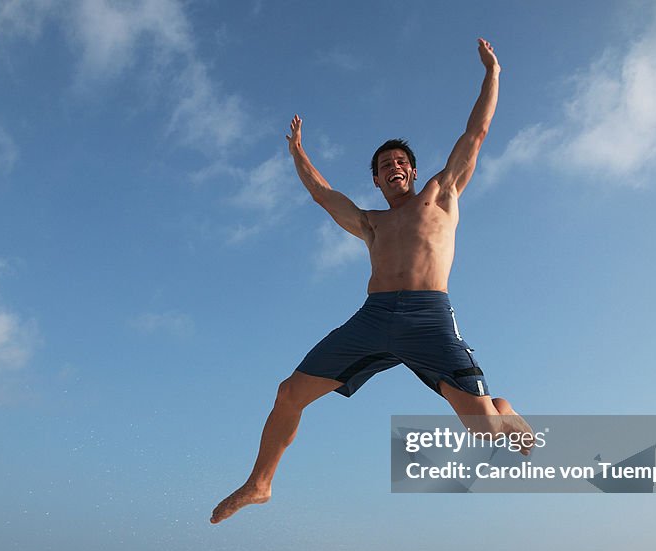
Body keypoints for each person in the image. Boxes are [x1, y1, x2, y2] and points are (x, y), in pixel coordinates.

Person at [211, 38, 531, 524]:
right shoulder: (371, 223)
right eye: (385, 167)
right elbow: (323, 194)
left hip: (428, 316)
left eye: (401, 162)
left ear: (414, 171)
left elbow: (477, 132)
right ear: (377, 182)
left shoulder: (441, 196)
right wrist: (298, 151)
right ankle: (260, 483)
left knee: (483, 427)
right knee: (288, 393)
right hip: (374, 319)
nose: (394, 168)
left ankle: (501, 410)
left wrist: (494, 73)